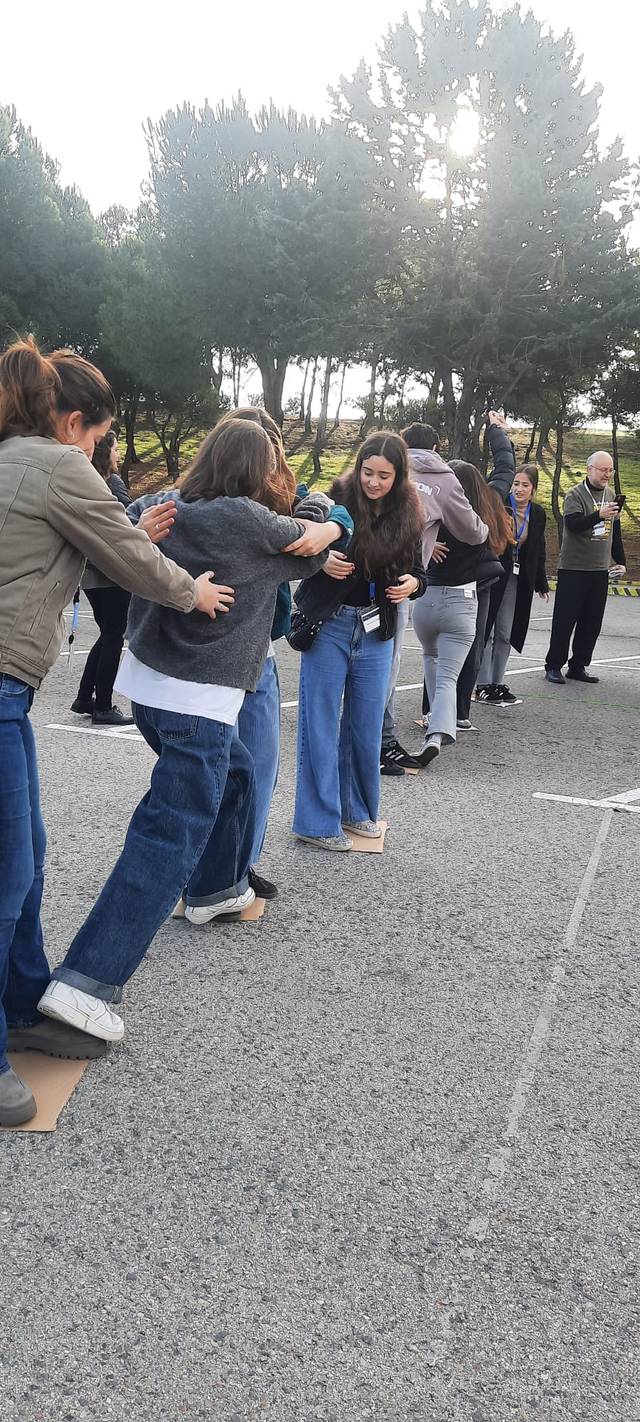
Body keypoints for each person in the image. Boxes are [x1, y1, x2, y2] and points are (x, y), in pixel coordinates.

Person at [38, 419, 335, 1046]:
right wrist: (329, 512)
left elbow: (120, 529)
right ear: (260, 467)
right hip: (200, 701)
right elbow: (308, 547)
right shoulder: (249, 522)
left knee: (237, 773)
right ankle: (86, 983)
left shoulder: (164, 504)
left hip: (148, 691)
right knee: (167, 834)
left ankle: (216, 887)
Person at [0, 339, 227, 1125]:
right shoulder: (61, 465)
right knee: (4, 876)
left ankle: (25, 1002)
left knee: (24, 859)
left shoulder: (16, 458)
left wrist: (134, 529)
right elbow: (128, 560)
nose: (101, 450)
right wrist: (190, 591)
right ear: (71, 423)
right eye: (99, 436)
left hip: (9, 694)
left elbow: (71, 556)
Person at [210, 408, 353, 897]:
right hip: (235, 658)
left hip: (238, 655)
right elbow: (321, 530)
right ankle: (219, 872)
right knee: (239, 769)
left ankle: (236, 866)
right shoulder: (250, 514)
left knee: (250, 769)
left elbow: (330, 522)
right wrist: (326, 523)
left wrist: (325, 524)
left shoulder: (215, 503)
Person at [292, 432, 426, 849]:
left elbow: (420, 572)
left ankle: (358, 813)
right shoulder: (335, 498)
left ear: (398, 476)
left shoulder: (409, 511)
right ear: (359, 466)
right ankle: (315, 822)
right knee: (319, 721)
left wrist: (412, 585)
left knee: (367, 725)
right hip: (328, 624)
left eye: (384, 476)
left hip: (377, 630)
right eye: (368, 472)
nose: (373, 482)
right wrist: (320, 559)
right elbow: (299, 547)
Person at [381, 421, 487, 774]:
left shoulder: (388, 468)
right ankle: (431, 735)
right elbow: (474, 532)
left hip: (416, 599)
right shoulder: (445, 481)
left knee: (402, 663)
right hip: (429, 592)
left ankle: (385, 734)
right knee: (441, 676)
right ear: (437, 449)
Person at [413, 462, 507, 766]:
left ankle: (431, 719)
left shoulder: (434, 519)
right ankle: (438, 733)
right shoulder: (481, 521)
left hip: (427, 600)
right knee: (448, 677)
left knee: (431, 661)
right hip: (463, 601)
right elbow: (504, 475)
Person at [72, 429, 135, 726]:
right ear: (104, 452)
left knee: (107, 633)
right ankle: (104, 706)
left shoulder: (86, 481)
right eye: (115, 448)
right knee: (114, 635)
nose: (119, 453)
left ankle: (85, 697)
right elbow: (127, 522)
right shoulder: (113, 482)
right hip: (112, 572)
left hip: (90, 573)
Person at [545, 451, 625, 684]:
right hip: (574, 568)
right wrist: (598, 515)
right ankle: (553, 665)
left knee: (591, 621)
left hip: (599, 569)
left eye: (610, 470)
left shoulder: (610, 495)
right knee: (565, 619)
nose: (607, 474)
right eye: (603, 470)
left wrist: (620, 561)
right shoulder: (575, 495)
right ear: (590, 469)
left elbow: (615, 532)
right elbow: (574, 524)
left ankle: (578, 665)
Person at [476, 462, 549, 701]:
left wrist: (540, 582)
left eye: (524, 485)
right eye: (515, 484)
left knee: (505, 632)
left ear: (533, 489)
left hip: (517, 580)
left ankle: (498, 681)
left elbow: (538, 548)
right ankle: (482, 683)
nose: (518, 489)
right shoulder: (500, 507)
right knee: (486, 630)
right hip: (494, 575)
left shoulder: (537, 514)